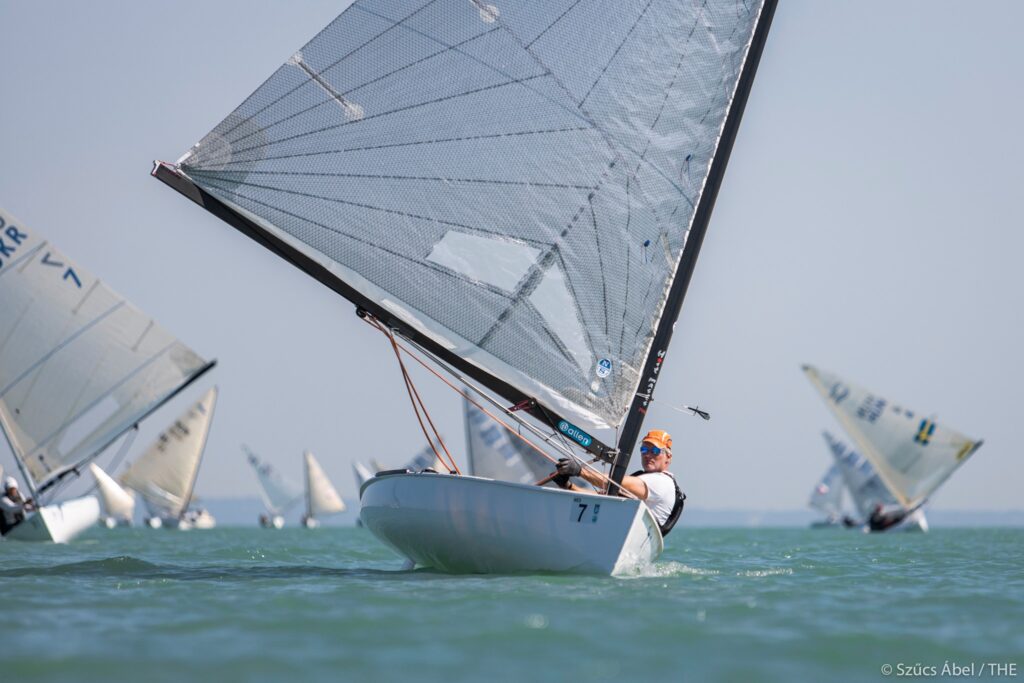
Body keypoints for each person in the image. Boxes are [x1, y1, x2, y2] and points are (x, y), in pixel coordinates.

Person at [553, 429, 685, 534]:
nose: (648, 455)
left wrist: (579, 471)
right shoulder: (641, 478)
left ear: (668, 457)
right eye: (644, 449)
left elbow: (610, 481)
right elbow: (604, 498)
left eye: (655, 451)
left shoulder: (661, 482)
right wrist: (569, 486)